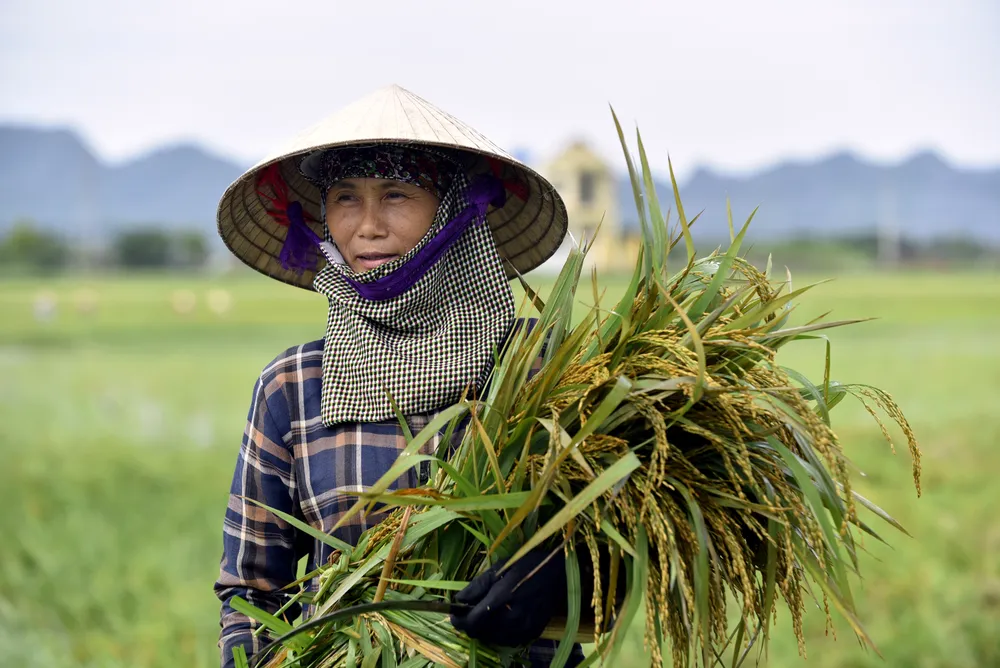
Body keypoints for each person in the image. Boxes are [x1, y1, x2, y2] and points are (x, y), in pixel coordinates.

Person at [212, 85, 583, 668]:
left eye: (396, 194)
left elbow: (638, 519)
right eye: (344, 198)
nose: (367, 226)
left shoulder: (538, 364)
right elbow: (251, 592)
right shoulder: (292, 385)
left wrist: (563, 569)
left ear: (454, 208)